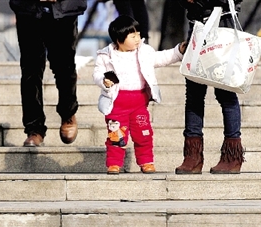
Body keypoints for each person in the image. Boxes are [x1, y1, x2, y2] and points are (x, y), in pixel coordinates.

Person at [93, 15, 186, 174]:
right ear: (119, 38)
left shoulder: (144, 52)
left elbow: (162, 57)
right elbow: (97, 73)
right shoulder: (105, 56)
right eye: (133, 35)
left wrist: (178, 51)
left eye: (138, 34)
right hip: (116, 104)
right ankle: (114, 163)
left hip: (139, 104)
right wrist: (104, 81)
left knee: (144, 134)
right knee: (117, 136)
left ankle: (146, 161)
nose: (138, 38)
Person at [175, 0, 245, 174]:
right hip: (197, 29)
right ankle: (193, 156)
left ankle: (232, 156)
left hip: (222, 27)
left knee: (226, 93)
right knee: (193, 96)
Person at [9, 0, 87, 147]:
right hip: (29, 9)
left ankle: (68, 113)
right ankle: (34, 129)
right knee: (30, 70)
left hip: (63, 9)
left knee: (64, 67)